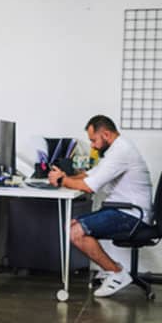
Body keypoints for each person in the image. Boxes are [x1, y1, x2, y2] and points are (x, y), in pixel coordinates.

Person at [48, 114, 153, 298]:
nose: (93, 145)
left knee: (76, 232)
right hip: (124, 210)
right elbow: (90, 175)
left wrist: (63, 181)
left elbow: (88, 186)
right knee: (72, 225)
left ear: (106, 134)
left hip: (131, 215)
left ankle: (117, 273)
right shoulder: (116, 150)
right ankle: (110, 269)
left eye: (94, 140)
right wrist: (66, 176)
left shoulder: (121, 152)